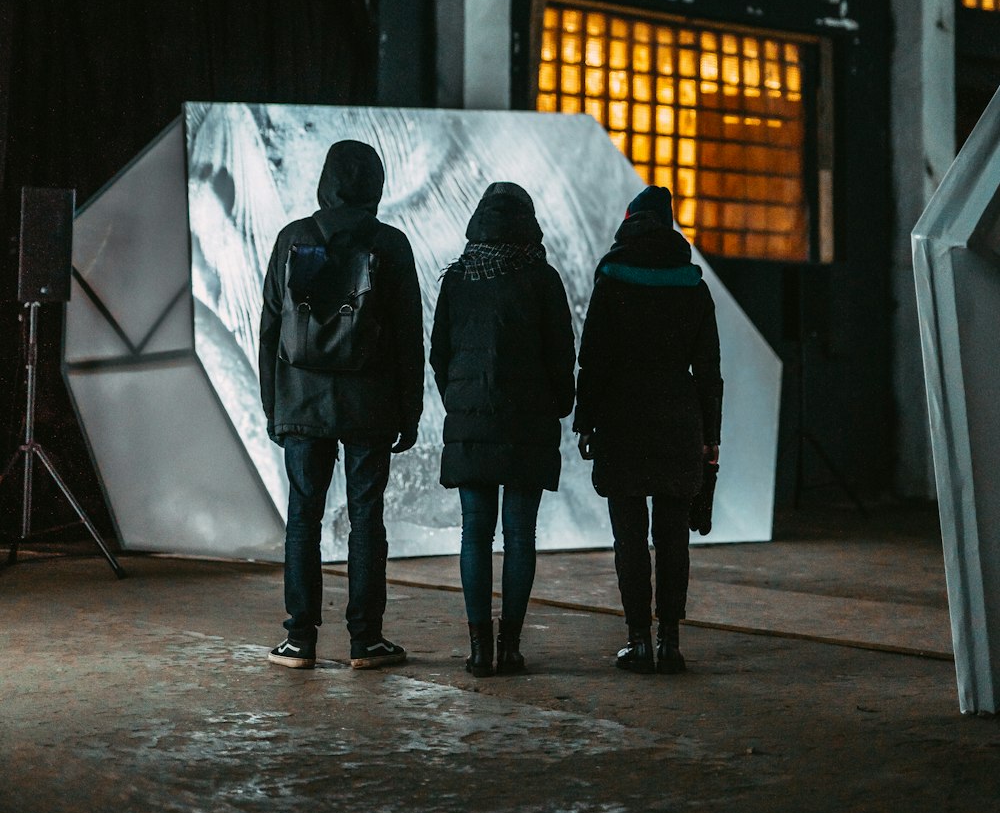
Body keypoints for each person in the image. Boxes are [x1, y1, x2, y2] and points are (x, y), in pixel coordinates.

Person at [259, 139, 424, 671]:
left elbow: (268, 331)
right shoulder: (391, 246)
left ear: (325, 181)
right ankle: (365, 640)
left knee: (303, 518)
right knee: (366, 520)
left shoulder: (294, 239)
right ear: (376, 184)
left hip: (302, 404)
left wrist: (273, 406)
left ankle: (299, 640)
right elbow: (407, 337)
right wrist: (410, 410)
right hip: (370, 406)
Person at [574, 185, 723, 676]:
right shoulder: (693, 285)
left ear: (630, 220)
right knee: (674, 535)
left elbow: (593, 358)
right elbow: (708, 370)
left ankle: (637, 641)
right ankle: (671, 642)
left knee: (630, 536)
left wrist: (586, 419)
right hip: (679, 419)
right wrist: (711, 437)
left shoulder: (612, 279)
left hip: (622, 418)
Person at [430, 182, 576, 677]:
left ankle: (477, 650)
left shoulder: (459, 277)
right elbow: (562, 355)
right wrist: (561, 405)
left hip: (471, 425)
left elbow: (439, 354)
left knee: (475, 535)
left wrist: (460, 401)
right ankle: (510, 646)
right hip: (527, 424)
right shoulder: (541, 277)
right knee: (520, 535)